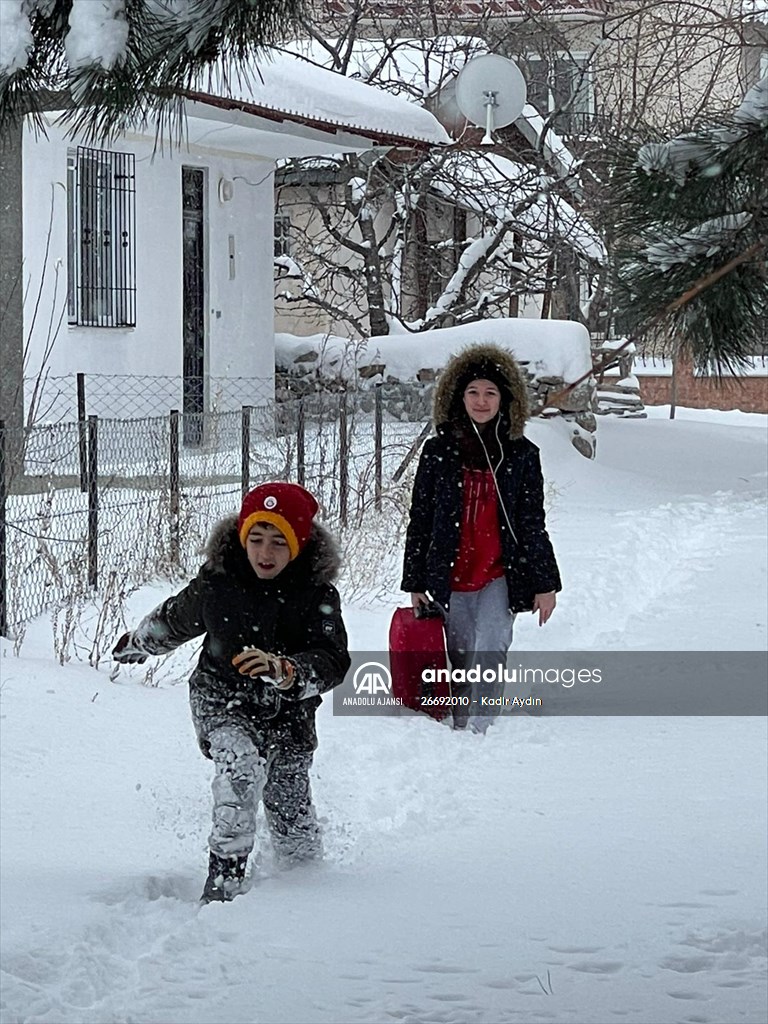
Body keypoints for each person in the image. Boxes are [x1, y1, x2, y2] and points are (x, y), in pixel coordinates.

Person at [112, 482, 350, 903]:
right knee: (240, 771)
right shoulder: (219, 583)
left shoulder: (316, 595)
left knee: (287, 802)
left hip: (288, 716)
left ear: (298, 545)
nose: (265, 552)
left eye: (279, 542)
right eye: (256, 539)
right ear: (242, 538)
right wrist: (140, 642)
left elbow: (333, 660)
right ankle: (224, 886)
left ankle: (307, 890)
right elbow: (176, 619)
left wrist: (287, 669)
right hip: (222, 699)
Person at [401, 343, 561, 732]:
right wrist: (415, 579)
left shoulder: (522, 454)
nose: (481, 400)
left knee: (491, 644)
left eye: (491, 392)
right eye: (473, 392)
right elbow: (420, 518)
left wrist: (545, 583)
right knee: (459, 653)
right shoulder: (438, 452)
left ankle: (482, 727)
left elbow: (531, 523)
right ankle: (458, 723)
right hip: (451, 572)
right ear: (459, 397)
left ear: (505, 399)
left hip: (497, 573)